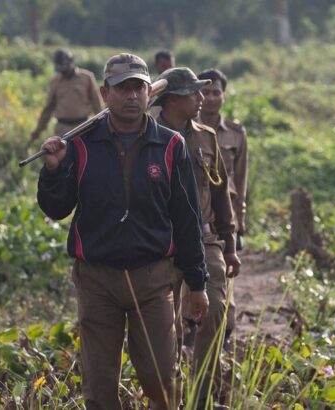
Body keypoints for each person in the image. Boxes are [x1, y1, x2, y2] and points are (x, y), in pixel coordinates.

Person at [36, 53, 209, 410]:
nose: (131, 96)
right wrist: (53, 171)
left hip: (153, 280)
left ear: (149, 93)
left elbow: (187, 218)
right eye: (122, 88)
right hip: (97, 281)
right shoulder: (81, 146)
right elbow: (57, 209)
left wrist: (197, 282)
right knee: (99, 389)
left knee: (161, 380)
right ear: (105, 93)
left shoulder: (171, 145)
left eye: (138, 88)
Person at [154, 67, 241, 409]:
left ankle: (201, 395)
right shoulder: (147, 135)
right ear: (173, 100)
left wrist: (230, 245)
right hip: (160, 244)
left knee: (216, 310)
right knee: (164, 324)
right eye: (194, 93)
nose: (202, 98)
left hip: (206, 241)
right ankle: (168, 394)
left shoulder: (207, 137)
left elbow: (220, 194)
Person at [198, 69, 248, 350]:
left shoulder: (236, 134)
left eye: (216, 92)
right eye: (205, 92)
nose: (211, 98)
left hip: (224, 217)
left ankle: (224, 331)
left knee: (223, 277)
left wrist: (239, 222)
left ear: (224, 96)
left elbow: (241, 182)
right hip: (199, 214)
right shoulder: (185, 131)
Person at [30, 48, 103, 141]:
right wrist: (38, 130)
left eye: (65, 68)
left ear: (72, 61)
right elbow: (48, 108)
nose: (64, 72)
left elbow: (97, 104)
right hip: (62, 130)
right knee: (64, 154)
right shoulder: (55, 82)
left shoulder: (87, 78)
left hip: (83, 127)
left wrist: (102, 125)